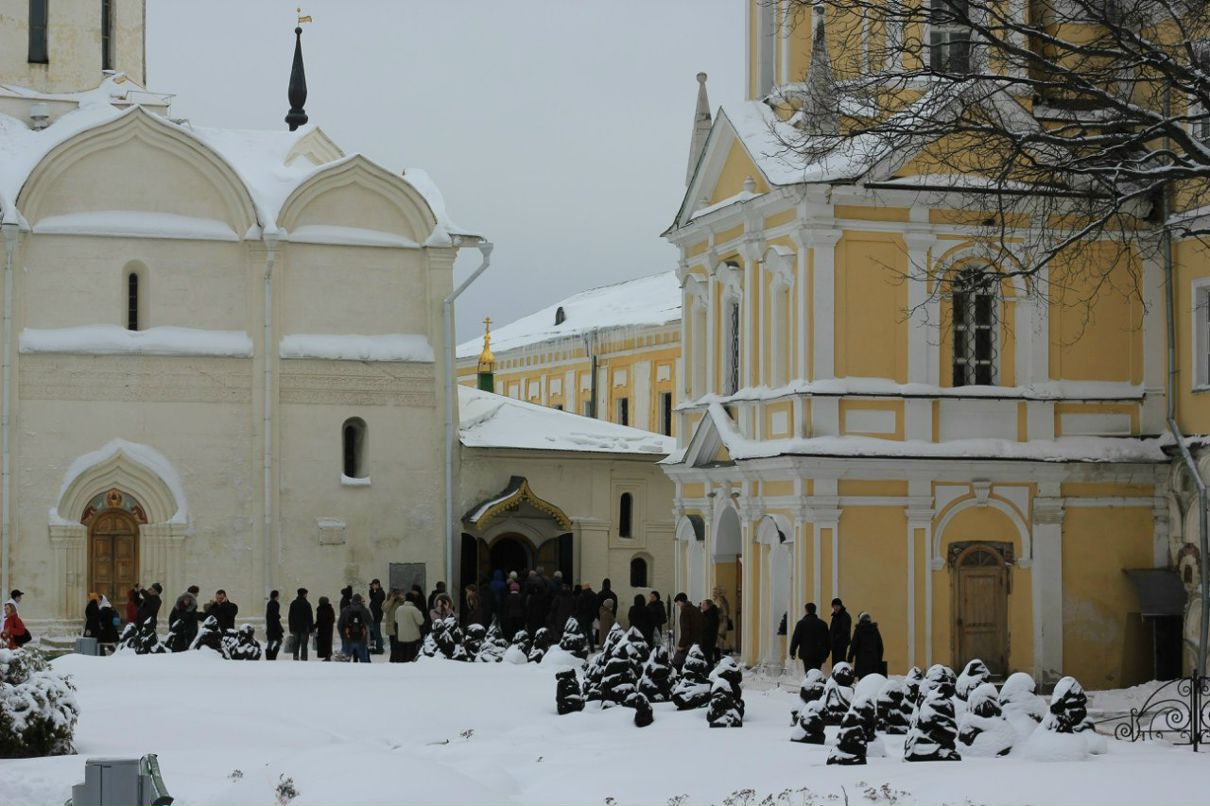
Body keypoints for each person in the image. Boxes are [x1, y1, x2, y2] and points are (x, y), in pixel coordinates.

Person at [789, 602, 831, 672]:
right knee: (817, 672)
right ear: (815, 610)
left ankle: (810, 682)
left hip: (806, 654)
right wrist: (826, 654)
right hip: (819, 654)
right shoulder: (822, 624)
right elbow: (827, 640)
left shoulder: (801, 624)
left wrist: (792, 652)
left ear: (806, 610)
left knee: (808, 673)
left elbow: (795, 639)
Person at [848, 611, 885, 678]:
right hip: (874, 662)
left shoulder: (858, 630)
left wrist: (850, 657)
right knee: (873, 680)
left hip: (861, 663)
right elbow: (880, 646)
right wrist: (879, 659)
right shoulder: (875, 630)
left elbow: (854, 645)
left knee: (863, 682)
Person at [338, 593, 373, 663]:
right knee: (364, 661)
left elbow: (340, 625)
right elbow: (370, 622)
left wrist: (343, 636)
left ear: (352, 600)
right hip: (361, 639)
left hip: (348, 639)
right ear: (360, 600)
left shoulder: (345, 610)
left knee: (344, 661)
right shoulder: (364, 610)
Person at [672, 592, 701, 669]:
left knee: (676, 664)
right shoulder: (695, 609)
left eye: (678, 603)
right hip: (697, 642)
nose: (678, 605)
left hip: (688, 643)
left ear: (681, 601)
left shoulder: (685, 612)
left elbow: (685, 630)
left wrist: (681, 645)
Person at [395, 592, 425, 662]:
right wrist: (420, 613)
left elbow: (396, 620)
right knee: (411, 657)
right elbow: (421, 622)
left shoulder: (399, 608)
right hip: (413, 637)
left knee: (403, 656)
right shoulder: (414, 609)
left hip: (401, 636)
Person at [288, 588, 314, 661]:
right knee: (304, 644)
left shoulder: (293, 603)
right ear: (304, 594)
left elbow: (290, 617)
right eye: (306, 594)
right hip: (304, 628)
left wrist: (291, 628)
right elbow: (310, 618)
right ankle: (304, 658)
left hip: (295, 628)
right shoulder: (307, 604)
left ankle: (295, 657)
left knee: (296, 643)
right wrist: (311, 629)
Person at [829, 597, 852, 669]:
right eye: (834, 606)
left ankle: (840, 677)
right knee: (835, 664)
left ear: (840, 606)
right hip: (834, 645)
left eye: (837, 606)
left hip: (841, 644)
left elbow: (845, 630)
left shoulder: (845, 616)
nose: (835, 608)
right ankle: (835, 676)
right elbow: (832, 630)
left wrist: (836, 638)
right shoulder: (835, 616)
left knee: (840, 663)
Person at [576, 581, 598, 652]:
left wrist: (576, 615)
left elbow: (578, 607)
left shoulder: (581, 596)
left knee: (582, 633)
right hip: (590, 617)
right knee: (590, 633)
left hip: (582, 618)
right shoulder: (594, 595)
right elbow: (596, 607)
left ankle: (582, 648)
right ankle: (592, 648)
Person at [383, 588, 403, 662]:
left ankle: (399, 658)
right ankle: (393, 658)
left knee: (399, 644)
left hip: (400, 625)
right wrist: (391, 599)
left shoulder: (400, 601)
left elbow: (405, 604)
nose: (395, 595)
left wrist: (401, 598)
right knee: (393, 644)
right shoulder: (387, 601)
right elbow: (385, 609)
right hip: (391, 626)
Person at [368, 579, 386, 655]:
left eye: (373, 585)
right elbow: (372, 597)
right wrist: (371, 590)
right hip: (375, 616)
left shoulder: (380, 593)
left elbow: (376, 606)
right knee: (375, 632)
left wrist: (373, 616)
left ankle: (380, 649)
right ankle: (379, 648)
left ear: (377, 584)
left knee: (376, 633)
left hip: (376, 616)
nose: (372, 586)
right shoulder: (377, 592)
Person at [712, 585, 733, 654]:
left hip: (721, 621)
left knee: (719, 637)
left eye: (715, 591)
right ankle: (723, 651)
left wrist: (717, 613)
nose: (713, 593)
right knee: (721, 637)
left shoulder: (719, 600)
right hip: (723, 621)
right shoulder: (723, 600)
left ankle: (723, 652)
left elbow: (724, 612)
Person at [700, 598, 721, 663]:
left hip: (708, 639)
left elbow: (708, 627)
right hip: (707, 638)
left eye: (703, 605)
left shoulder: (710, 615)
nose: (702, 606)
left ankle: (709, 669)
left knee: (708, 657)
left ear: (708, 606)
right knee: (707, 657)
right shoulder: (708, 613)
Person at [315, 595, 335, 661]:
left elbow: (319, 620)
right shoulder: (330, 609)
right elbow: (332, 619)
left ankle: (327, 655)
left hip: (322, 629)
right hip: (328, 629)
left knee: (324, 643)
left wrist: (314, 626)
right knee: (327, 642)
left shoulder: (320, 609)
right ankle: (327, 655)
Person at [264, 590, 283, 661]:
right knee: (274, 641)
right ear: (276, 596)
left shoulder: (272, 603)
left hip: (272, 626)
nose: (279, 596)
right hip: (273, 626)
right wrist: (278, 616)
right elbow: (274, 615)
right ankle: (271, 656)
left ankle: (271, 655)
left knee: (274, 641)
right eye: (278, 595)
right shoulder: (273, 603)